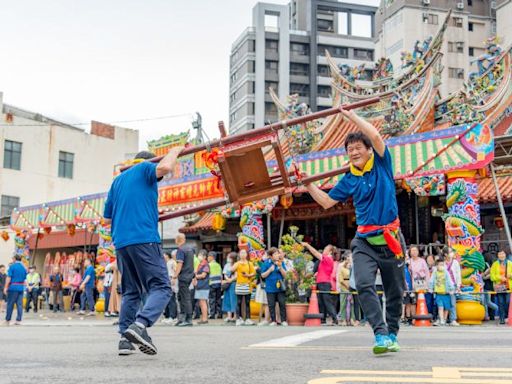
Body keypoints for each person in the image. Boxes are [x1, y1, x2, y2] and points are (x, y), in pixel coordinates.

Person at [304, 109, 404, 354]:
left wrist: (349, 116)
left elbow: (376, 136)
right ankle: (380, 335)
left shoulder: (382, 163)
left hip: (391, 240)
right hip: (364, 242)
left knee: (395, 293)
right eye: (350, 150)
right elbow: (327, 202)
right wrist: (309, 185)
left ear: (369, 150)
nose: (354, 152)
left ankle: (392, 333)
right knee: (364, 284)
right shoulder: (349, 178)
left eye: (359, 147)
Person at [103, 147, 182, 356]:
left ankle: (125, 340)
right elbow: (165, 166)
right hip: (143, 238)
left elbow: (107, 218)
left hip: (121, 242)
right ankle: (140, 325)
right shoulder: (145, 168)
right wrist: (176, 150)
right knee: (162, 286)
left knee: (131, 291)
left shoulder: (117, 181)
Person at [302, 242, 338, 326]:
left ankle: (334, 318)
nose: (324, 250)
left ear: (330, 252)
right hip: (321, 282)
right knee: (322, 302)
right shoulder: (326, 259)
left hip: (325, 282)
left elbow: (315, 253)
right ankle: (323, 319)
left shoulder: (328, 258)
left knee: (327, 301)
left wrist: (308, 246)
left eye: (326, 249)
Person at [260, 247, 288, 326]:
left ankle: (283, 320)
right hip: (270, 287)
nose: (277, 255)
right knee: (271, 305)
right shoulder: (266, 263)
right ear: (271, 256)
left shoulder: (281, 262)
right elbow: (262, 275)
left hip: (280, 287)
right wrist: (269, 270)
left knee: (282, 303)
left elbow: (286, 275)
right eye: (275, 254)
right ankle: (273, 321)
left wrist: (281, 268)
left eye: (278, 253)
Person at [172, 233, 195, 327]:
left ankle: (188, 319)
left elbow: (179, 264)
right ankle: (182, 319)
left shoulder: (180, 250)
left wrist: (174, 276)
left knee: (185, 298)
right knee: (182, 297)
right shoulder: (190, 249)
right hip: (189, 275)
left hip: (183, 276)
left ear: (177, 240)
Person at [232, 249, 256, 326]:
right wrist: (236, 264)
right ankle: (239, 318)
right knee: (238, 302)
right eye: (241, 253)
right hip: (239, 284)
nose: (242, 254)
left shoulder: (250, 263)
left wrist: (248, 275)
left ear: (246, 254)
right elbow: (231, 270)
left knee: (247, 302)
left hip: (247, 285)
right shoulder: (237, 263)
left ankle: (248, 318)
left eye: (244, 253)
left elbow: (253, 273)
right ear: (239, 254)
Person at [429, 258, 455, 326]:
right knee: (440, 307)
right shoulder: (435, 273)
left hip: (446, 293)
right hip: (438, 293)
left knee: (446, 308)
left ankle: (445, 319)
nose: (441, 266)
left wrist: (451, 289)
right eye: (440, 265)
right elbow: (431, 280)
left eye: (442, 265)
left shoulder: (446, 272)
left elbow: (450, 281)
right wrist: (431, 288)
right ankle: (442, 320)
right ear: (436, 266)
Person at [4, 255, 27, 325]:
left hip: (13, 286)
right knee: (19, 304)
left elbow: (8, 278)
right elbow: (25, 278)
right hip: (21, 287)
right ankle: (18, 320)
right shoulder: (24, 267)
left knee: (10, 304)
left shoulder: (12, 266)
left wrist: (5, 287)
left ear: (14, 259)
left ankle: (8, 320)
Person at [490, 250, 512, 325]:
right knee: (501, 302)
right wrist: (499, 278)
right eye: (500, 254)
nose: (501, 255)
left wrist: (510, 275)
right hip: (499, 286)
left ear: (505, 255)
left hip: (508, 286)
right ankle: (502, 318)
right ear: (498, 256)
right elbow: (492, 277)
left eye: (503, 254)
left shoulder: (510, 263)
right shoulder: (495, 264)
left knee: (508, 302)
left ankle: (506, 316)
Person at [445, 249, 461, 326]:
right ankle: (442, 319)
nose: (451, 253)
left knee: (452, 302)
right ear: (445, 254)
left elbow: (458, 274)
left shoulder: (455, 262)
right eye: (449, 252)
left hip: (452, 285)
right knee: (442, 302)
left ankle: (453, 319)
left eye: (451, 252)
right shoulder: (442, 263)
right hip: (443, 286)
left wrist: (458, 285)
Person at [194, 251, 210, 325]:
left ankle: (205, 319)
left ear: (204, 257)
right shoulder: (200, 264)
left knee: (203, 302)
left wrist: (195, 277)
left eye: (200, 255)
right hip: (199, 286)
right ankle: (203, 318)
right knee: (201, 302)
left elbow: (203, 275)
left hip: (203, 285)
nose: (199, 256)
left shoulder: (205, 265)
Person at [162, 251, 178, 324]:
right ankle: (168, 316)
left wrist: (173, 279)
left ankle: (173, 316)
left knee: (172, 299)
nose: (163, 256)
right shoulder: (166, 263)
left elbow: (175, 270)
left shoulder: (172, 262)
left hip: (171, 281)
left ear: (167, 255)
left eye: (164, 254)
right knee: (167, 300)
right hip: (167, 281)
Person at [338, 255, 354, 326]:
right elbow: (340, 280)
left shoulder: (352, 270)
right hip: (344, 287)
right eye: (348, 263)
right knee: (343, 303)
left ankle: (352, 319)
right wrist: (347, 286)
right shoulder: (342, 269)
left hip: (351, 287)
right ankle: (343, 319)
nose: (349, 264)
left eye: (350, 263)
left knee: (352, 304)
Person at [221, 252, 237, 323]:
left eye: (229, 257)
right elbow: (225, 274)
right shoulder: (227, 265)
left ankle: (235, 316)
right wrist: (228, 279)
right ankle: (229, 316)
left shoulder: (237, 264)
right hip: (228, 284)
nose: (228, 258)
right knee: (227, 299)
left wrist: (230, 280)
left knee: (234, 300)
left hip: (234, 284)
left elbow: (237, 275)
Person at [207, 251, 222, 320]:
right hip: (218, 284)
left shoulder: (209, 265)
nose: (207, 258)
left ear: (211, 257)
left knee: (212, 300)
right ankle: (220, 314)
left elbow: (207, 274)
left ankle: (212, 314)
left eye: (208, 256)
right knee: (218, 299)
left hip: (211, 284)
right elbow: (221, 275)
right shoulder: (218, 265)